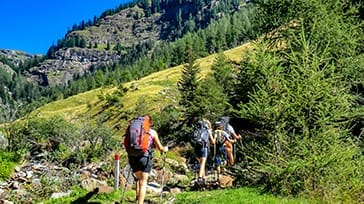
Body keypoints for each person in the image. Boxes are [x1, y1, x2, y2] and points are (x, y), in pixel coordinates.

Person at [126, 115, 168, 204]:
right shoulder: (151, 132)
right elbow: (160, 148)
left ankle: (137, 199)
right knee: (143, 181)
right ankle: (140, 203)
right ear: (150, 123)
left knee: (138, 178)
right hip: (144, 157)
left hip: (132, 156)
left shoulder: (132, 129)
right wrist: (165, 149)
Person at [193, 119, 214, 184]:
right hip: (203, 146)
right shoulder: (207, 130)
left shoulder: (196, 130)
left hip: (196, 147)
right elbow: (212, 142)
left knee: (201, 163)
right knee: (203, 163)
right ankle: (199, 178)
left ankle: (203, 178)